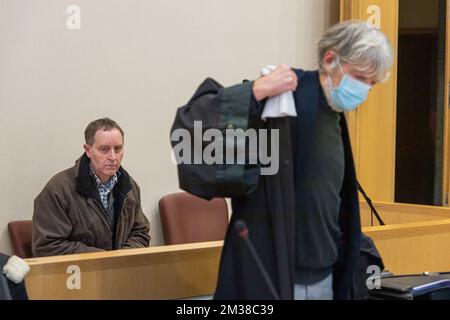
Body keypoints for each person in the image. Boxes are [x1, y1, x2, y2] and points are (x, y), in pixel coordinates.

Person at [171, 21, 393, 299]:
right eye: (360, 77)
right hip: (274, 279)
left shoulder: (335, 115)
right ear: (330, 59)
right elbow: (190, 136)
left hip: (325, 278)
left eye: (371, 84)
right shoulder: (283, 101)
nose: (364, 90)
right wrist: (255, 92)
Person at [32, 118, 151, 257]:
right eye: (104, 149)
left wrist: (121, 259)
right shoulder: (58, 190)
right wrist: (104, 259)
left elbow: (140, 233)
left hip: (120, 272)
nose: (113, 157)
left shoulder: (129, 186)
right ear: (88, 150)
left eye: (118, 149)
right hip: (76, 274)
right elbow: (47, 246)